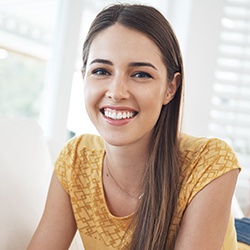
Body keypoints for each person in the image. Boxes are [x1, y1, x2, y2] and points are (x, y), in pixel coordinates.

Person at [28, 4, 250, 250]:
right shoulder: (76, 159)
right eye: (101, 71)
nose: (116, 92)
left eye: (141, 74)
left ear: (170, 88)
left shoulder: (209, 161)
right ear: (84, 77)